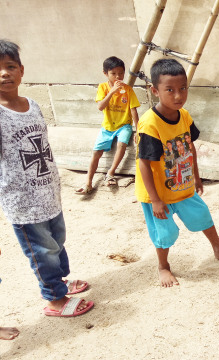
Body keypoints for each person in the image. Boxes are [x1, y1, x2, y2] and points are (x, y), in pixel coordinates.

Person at [0, 39, 93, 317]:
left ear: (22, 71)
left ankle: (60, 282)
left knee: (57, 242)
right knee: (42, 251)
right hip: (24, 204)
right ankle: (54, 299)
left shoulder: (33, 105)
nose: (4, 73)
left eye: (10, 66)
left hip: (48, 193)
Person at [135, 58, 219, 287]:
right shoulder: (150, 125)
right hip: (158, 193)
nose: (178, 95)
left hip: (182, 186)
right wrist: (155, 200)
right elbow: (144, 163)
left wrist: (195, 175)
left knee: (202, 215)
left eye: (183, 88)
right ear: (155, 91)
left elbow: (190, 145)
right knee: (164, 233)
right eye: (170, 90)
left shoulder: (184, 115)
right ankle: (163, 267)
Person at [75, 56, 140, 194]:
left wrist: (138, 129)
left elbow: (133, 110)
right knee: (96, 152)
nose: (118, 76)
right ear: (106, 74)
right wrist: (112, 92)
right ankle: (88, 182)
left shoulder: (128, 90)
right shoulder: (103, 87)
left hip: (124, 125)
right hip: (107, 127)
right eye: (113, 73)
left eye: (121, 73)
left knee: (122, 144)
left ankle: (111, 173)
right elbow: (100, 107)